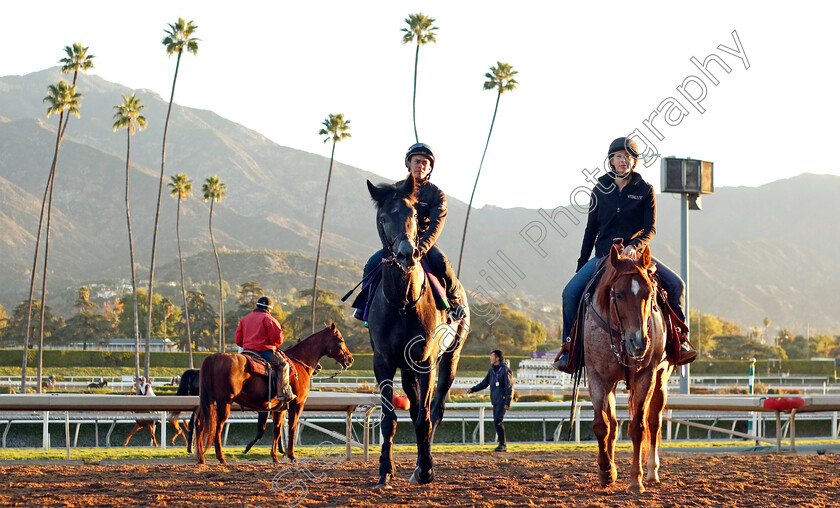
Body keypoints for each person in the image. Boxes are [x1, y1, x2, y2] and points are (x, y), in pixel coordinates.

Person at [553, 137, 696, 372]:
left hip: (636, 258)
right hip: (603, 258)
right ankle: (570, 350)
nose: (624, 160)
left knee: (677, 285)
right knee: (569, 293)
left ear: (634, 162)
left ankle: (679, 342)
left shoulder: (645, 190)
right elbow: (590, 231)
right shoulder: (599, 189)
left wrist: (635, 246)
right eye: (619, 156)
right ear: (611, 160)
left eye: (629, 157)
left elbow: (650, 228)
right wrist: (581, 265)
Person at [353, 142, 464, 321]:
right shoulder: (394, 190)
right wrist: (389, 247)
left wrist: (421, 247)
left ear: (429, 168)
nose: (420, 165)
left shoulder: (436, 195)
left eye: (425, 163)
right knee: (371, 264)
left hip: (423, 244)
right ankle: (364, 305)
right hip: (397, 245)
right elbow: (383, 220)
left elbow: (437, 225)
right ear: (408, 164)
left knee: (441, 262)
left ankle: (455, 300)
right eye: (417, 161)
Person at [234, 296, 295, 404]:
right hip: (264, 352)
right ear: (269, 309)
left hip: (247, 352)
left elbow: (238, 340)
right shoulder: (269, 319)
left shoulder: (245, 319)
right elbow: (277, 340)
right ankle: (283, 393)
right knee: (283, 365)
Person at [468, 350, 513, 452]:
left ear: (497, 358)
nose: (490, 358)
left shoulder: (505, 370)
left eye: (492, 356)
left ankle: (503, 444)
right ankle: (502, 444)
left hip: (502, 400)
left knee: (498, 420)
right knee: (497, 421)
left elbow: (509, 387)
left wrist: (508, 402)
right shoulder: (492, 371)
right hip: (495, 400)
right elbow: (484, 383)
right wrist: (473, 389)